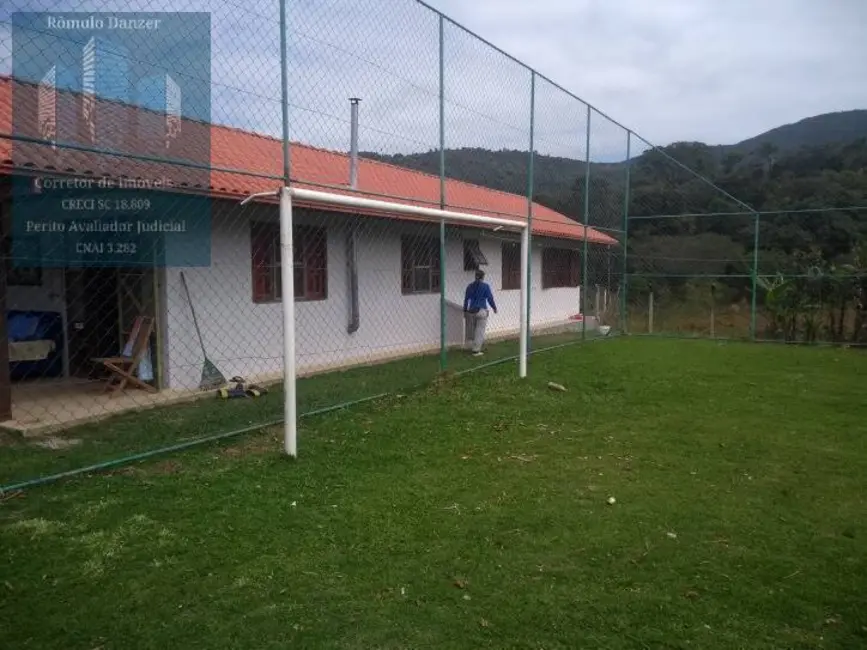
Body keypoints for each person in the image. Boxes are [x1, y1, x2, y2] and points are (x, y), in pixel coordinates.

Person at [464, 269, 497, 356]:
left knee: (473, 329)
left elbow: (466, 299)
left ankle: (471, 346)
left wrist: (465, 311)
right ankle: (476, 350)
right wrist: (494, 308)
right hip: (481, 310)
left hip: (471, 311)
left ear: (475, 276)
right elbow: (490, 298)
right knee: (480, 331)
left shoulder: (469, 286)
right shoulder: (485, 286)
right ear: (483, 277)